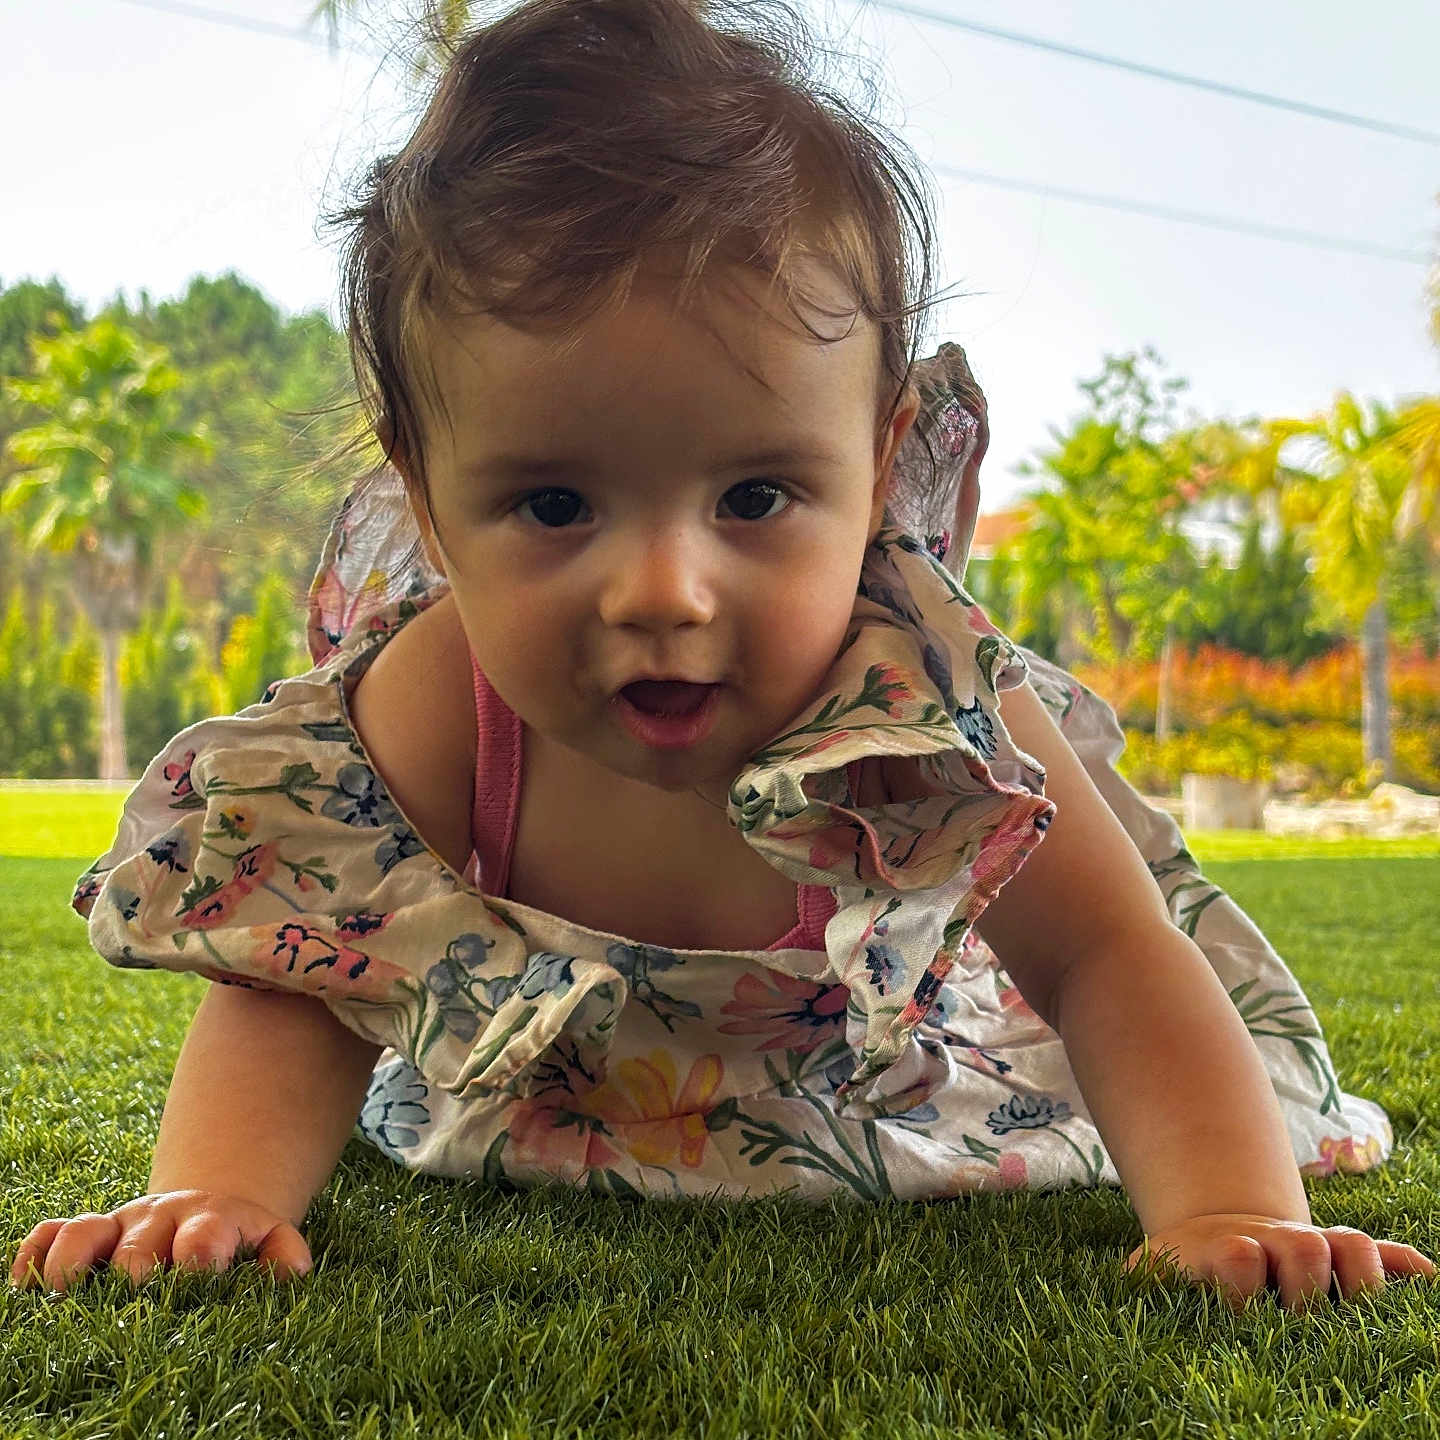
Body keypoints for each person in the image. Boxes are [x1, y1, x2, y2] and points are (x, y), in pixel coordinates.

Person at [11, 0, 1434, 1314]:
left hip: (890, 1096)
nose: (665, 591)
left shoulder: (925, 700)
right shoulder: (436, 703)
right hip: (544, 1104)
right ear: (430, 498)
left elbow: (1113, 955)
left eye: (756, 499)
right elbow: (307, 970)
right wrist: (218, 1193)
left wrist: (1228, 1207)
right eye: (555, 505)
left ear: (877, 469)